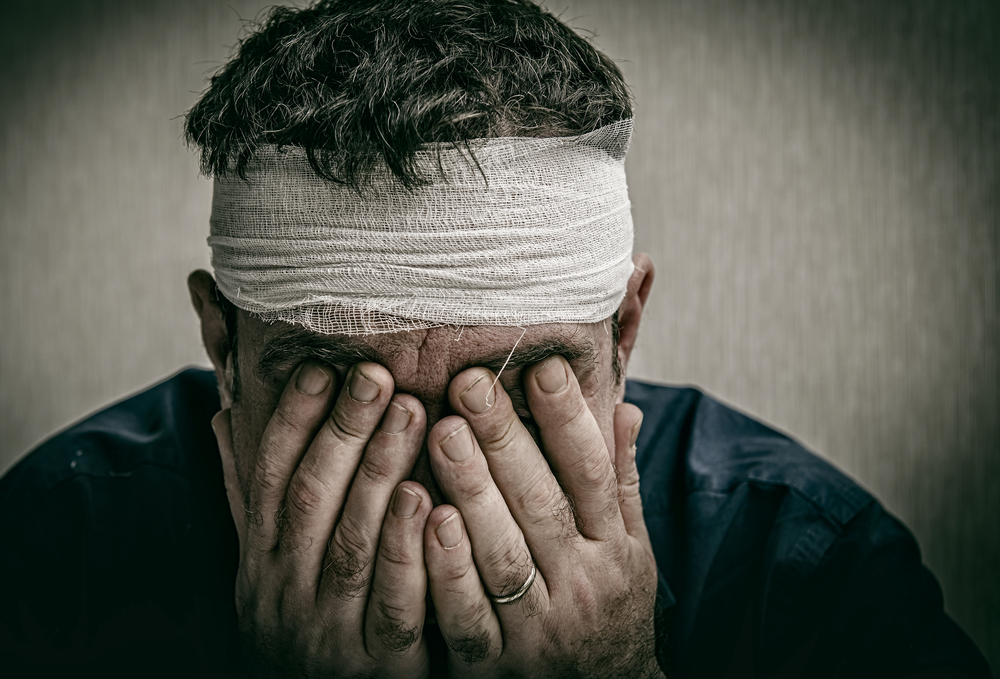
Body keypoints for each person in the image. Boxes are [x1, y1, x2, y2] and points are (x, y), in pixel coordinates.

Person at [0, 1, 991, 677]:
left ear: (625, 334)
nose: (439, 481)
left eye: (519, 389)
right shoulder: (53, 555)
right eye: (343, 390)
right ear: (223, 346)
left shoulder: (803, 568)